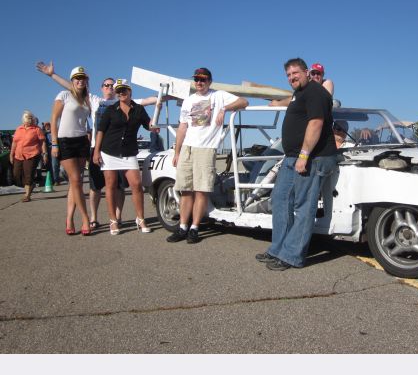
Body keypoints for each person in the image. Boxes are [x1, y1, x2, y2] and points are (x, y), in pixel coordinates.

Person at [37, 61, 161, 229]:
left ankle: (117, 218)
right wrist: (52, 74)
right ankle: (93, 218)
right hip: (98, 148)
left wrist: (165, 96)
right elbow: (74, 87)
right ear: (102, 88)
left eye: (113, 85)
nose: (111, 88)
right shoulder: (94, 100)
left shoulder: (127, 101)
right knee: (94, 186)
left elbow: (148, 100)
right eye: (107, 85)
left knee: (118, 186)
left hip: (118, 150)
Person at [256, 58, 337, 270]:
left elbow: (316, 123)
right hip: (292, 157)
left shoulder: (316, 92)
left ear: (307, 72)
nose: (292, 77)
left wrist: (304, 155)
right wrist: (275, 103)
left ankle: (293, 256)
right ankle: (278, 249)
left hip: (312, 158)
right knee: (280, 200)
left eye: (295, 73)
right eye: (288, 75)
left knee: (303, 207)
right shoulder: (299, 93)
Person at [167, 67, 248, 244]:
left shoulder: (218, 96)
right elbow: (182, 127)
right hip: (187, 148)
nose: (199, 82)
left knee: (201, 191)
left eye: (203, 79)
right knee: (185, 190)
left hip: (206, 149)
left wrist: (224, 109)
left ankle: (194, 228)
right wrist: (177, 152)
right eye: (196, 79)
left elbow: (244, 102)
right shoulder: (188, 101)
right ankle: (182, 227)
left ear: (209, 81)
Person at [93, 79, 156, 235]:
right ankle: (113, 220)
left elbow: (148, 125)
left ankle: (140, 218)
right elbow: (101, 131)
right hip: (109, 151)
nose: (121, 93)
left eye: (124, 90)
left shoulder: (139, 109)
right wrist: (96, 151)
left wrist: (153, 126)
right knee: (111, 185)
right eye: (118, 91)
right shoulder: (110, 110)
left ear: (130, 92)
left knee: (136, 184)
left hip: (129, 152)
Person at [50, 66, 93, 235]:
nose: (80, 80)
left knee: (75, 183)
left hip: (82, 141)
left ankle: (69, 218)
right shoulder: (64, 95)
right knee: (76, 181)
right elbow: (54, 118)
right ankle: (85, 219)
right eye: (77, 78)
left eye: (83, 78)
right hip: (65, 141)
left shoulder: (86, 99)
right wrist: (54, 143)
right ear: (72, 80)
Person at [10, 111, 48, 202]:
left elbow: (42, 142)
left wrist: (44, 154)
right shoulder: (18, 129)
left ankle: (27, 195)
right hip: (18, 155)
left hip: (32, 154)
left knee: (28, 174)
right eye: (28, 119)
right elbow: (14, 143)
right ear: (23, 120)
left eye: (31, 119)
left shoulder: (37, 129)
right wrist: (11, 154)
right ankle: (30, 184)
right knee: (16, 174)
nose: (29, 121)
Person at [269, 62, 336, 107]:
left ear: (323, 75)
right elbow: (297, 98)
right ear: (309, 74)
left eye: (318, 73)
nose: (315, 76)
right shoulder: (307, 86)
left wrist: (278, 103)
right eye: (313, 73)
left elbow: (323, 100)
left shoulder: (327, 82)